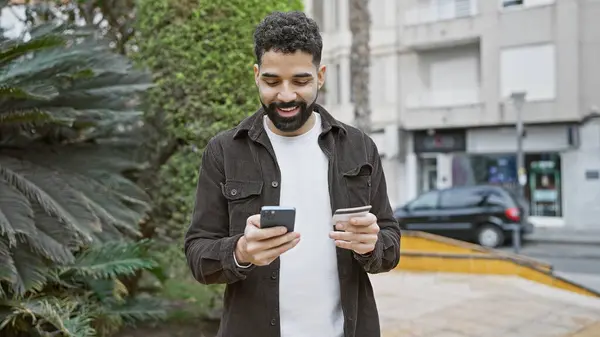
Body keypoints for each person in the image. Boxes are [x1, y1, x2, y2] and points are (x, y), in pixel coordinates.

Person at [184, 10, 401, 337]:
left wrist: (372, 244)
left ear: (321, 75)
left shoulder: (359, 147)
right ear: (256, 75)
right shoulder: (225, 151)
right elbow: (198, 254)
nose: (286, 95)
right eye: (272, 81)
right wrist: (241, 252)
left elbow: (390, 243)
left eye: (300, 81)